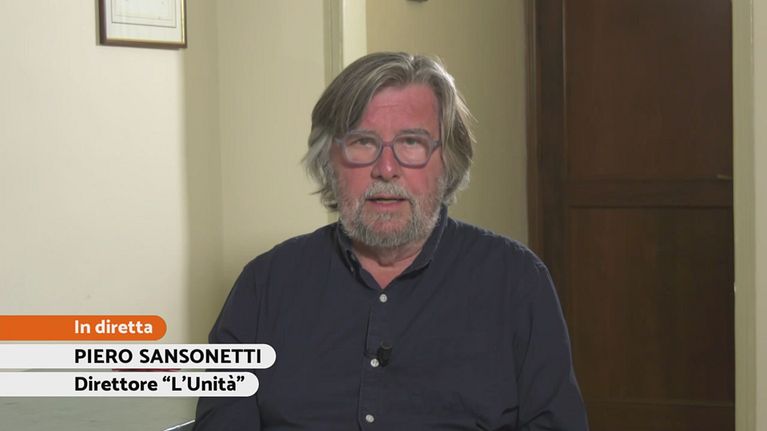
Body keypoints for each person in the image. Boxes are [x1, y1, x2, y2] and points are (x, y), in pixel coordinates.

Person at [194, 52, 588, 430]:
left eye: (411, 143)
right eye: (363, 142)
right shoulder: (264, 286)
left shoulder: (517, 282)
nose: (386, 169)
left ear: (448, 161)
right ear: (328, 160)